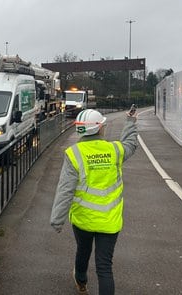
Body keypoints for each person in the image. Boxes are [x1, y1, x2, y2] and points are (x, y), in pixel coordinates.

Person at [50, 108, 138, 295]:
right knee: (104, 267)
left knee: (83, 251)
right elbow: (130, 144)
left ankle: (81, 282)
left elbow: (65, 189)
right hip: (110, 220)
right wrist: (130, 121)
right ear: (99, 128)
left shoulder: (73, 154)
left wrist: (57, 219)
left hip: (83, 219)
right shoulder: (114, 150)